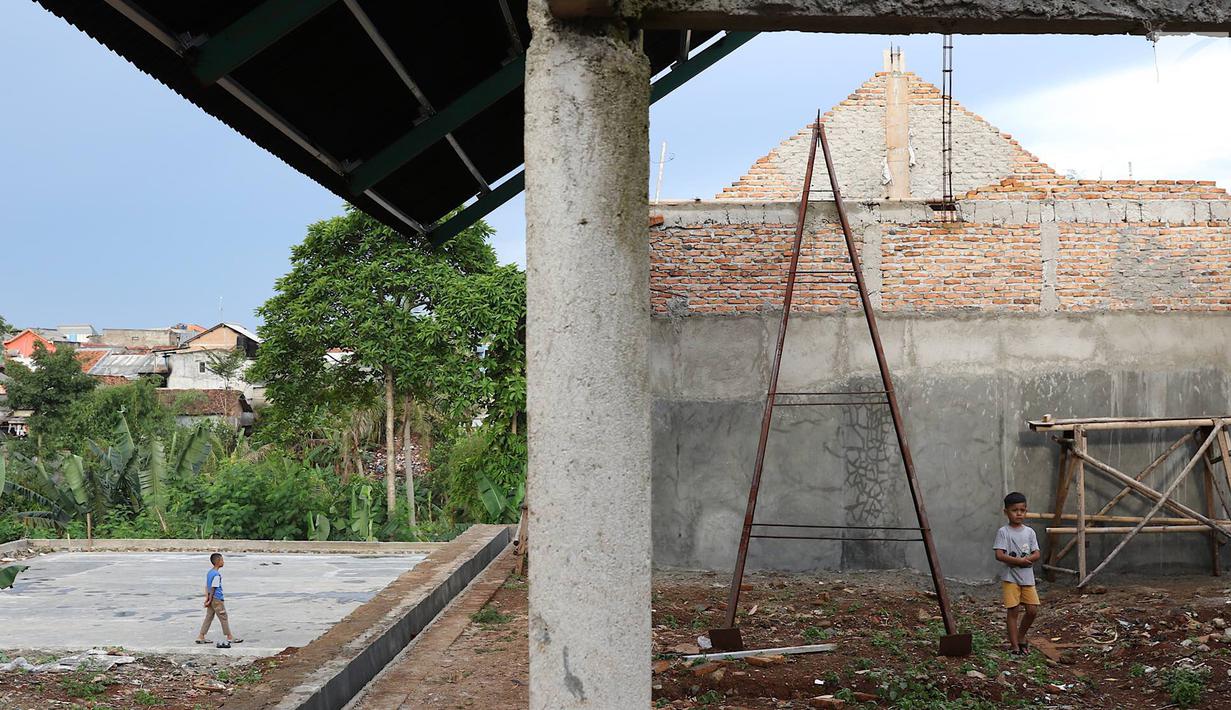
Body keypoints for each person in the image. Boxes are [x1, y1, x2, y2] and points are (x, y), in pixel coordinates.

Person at [993, 491, 1040, 655]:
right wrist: (1018, 561)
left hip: (1027, 578)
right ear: (1006, 512)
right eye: (1014, 510)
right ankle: (1014, 646)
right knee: (1013, 611)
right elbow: (999, 555)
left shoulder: (1030, 532)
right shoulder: (1003, 532)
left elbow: (1036, 553)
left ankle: (1021, 636)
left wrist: (1028, 559)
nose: (1019, 513)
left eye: (1022, 510)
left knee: (1032, 610)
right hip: (1011, 578)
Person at [196, 552, 243, 649]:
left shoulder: (210, 573)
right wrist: (210, 599)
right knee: (223, 617)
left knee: (209, 617)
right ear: (218, 562)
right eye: (222, 560)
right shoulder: (216, 575)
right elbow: (213, 588)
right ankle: (229, 636)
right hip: (217, 599)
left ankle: (201, 636)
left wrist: (207, 598)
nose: (223, 562)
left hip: (211, 598)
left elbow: (207, 587)